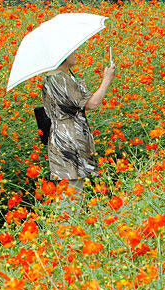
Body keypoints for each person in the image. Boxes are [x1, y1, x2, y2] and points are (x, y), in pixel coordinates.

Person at [41, 50, 116, 218]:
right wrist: (107, 79)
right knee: (72, 192)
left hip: (60, 136)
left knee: (70, 191)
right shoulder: (61, 79)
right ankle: (65, 236)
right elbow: (93, 103)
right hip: (70, 139)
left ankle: (66, 234)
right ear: (63, 55)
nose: (75, 54)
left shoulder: (52, 78)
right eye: (71, 51)